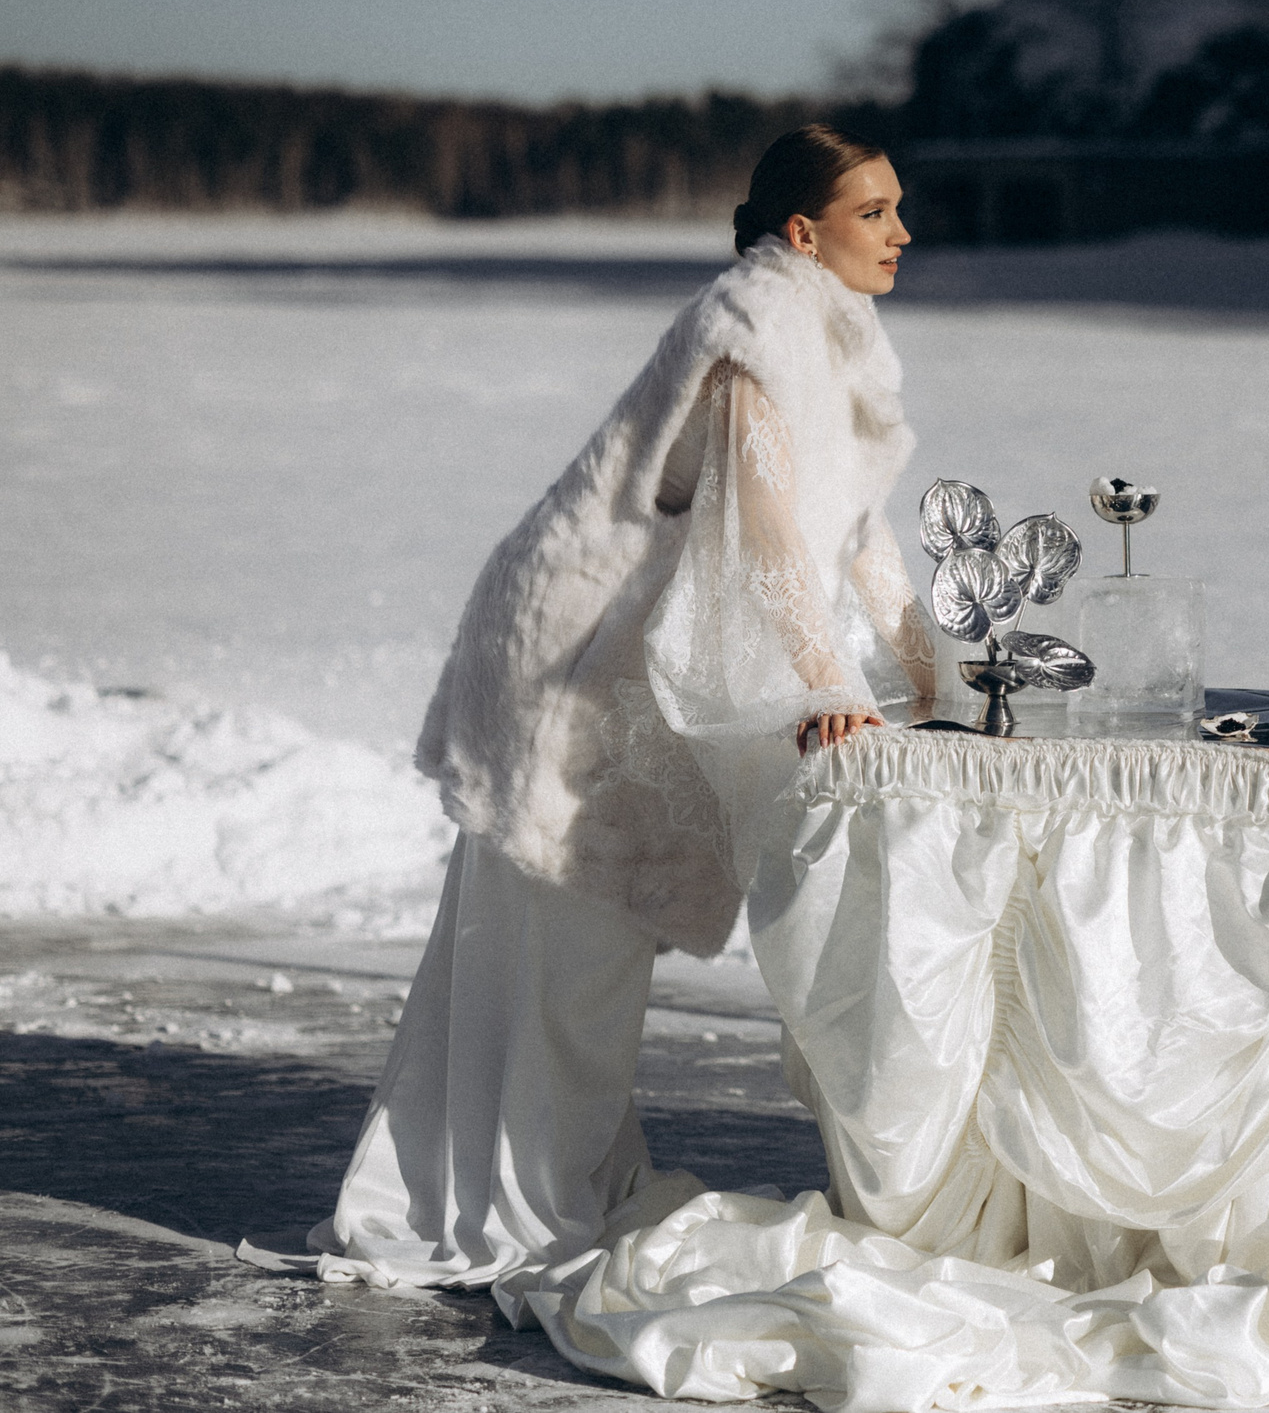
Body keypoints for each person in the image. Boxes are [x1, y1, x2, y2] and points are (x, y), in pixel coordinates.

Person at [293, 125, 936, 1290]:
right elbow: (772, 521)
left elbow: (851, 519)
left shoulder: (830, 323)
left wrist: (922, 659)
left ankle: (547, 1176)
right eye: (875, 212)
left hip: (627, 655)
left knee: (583, 960)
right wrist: (831, 680)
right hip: (569, 655)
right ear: (803, 232)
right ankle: (511, 1201)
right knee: (558, 950)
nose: (903, 231)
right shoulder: (764, 317)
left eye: (897, 209)